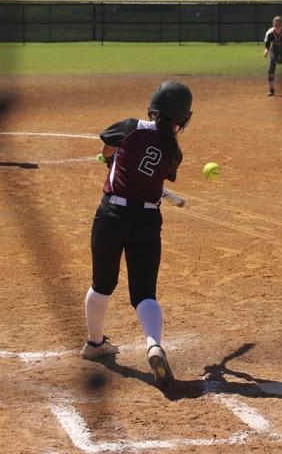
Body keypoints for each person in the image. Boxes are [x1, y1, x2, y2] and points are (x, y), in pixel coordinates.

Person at [81, 80, 194, 391]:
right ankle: (153, 344)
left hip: (112, 215)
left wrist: (109, 159)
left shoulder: (131, 126)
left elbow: (107, 150)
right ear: (181, 118)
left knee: (102, 284)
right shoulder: (174, 151)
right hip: (147, 218)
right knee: (144, 293)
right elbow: (153, 176)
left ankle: (95, 343)